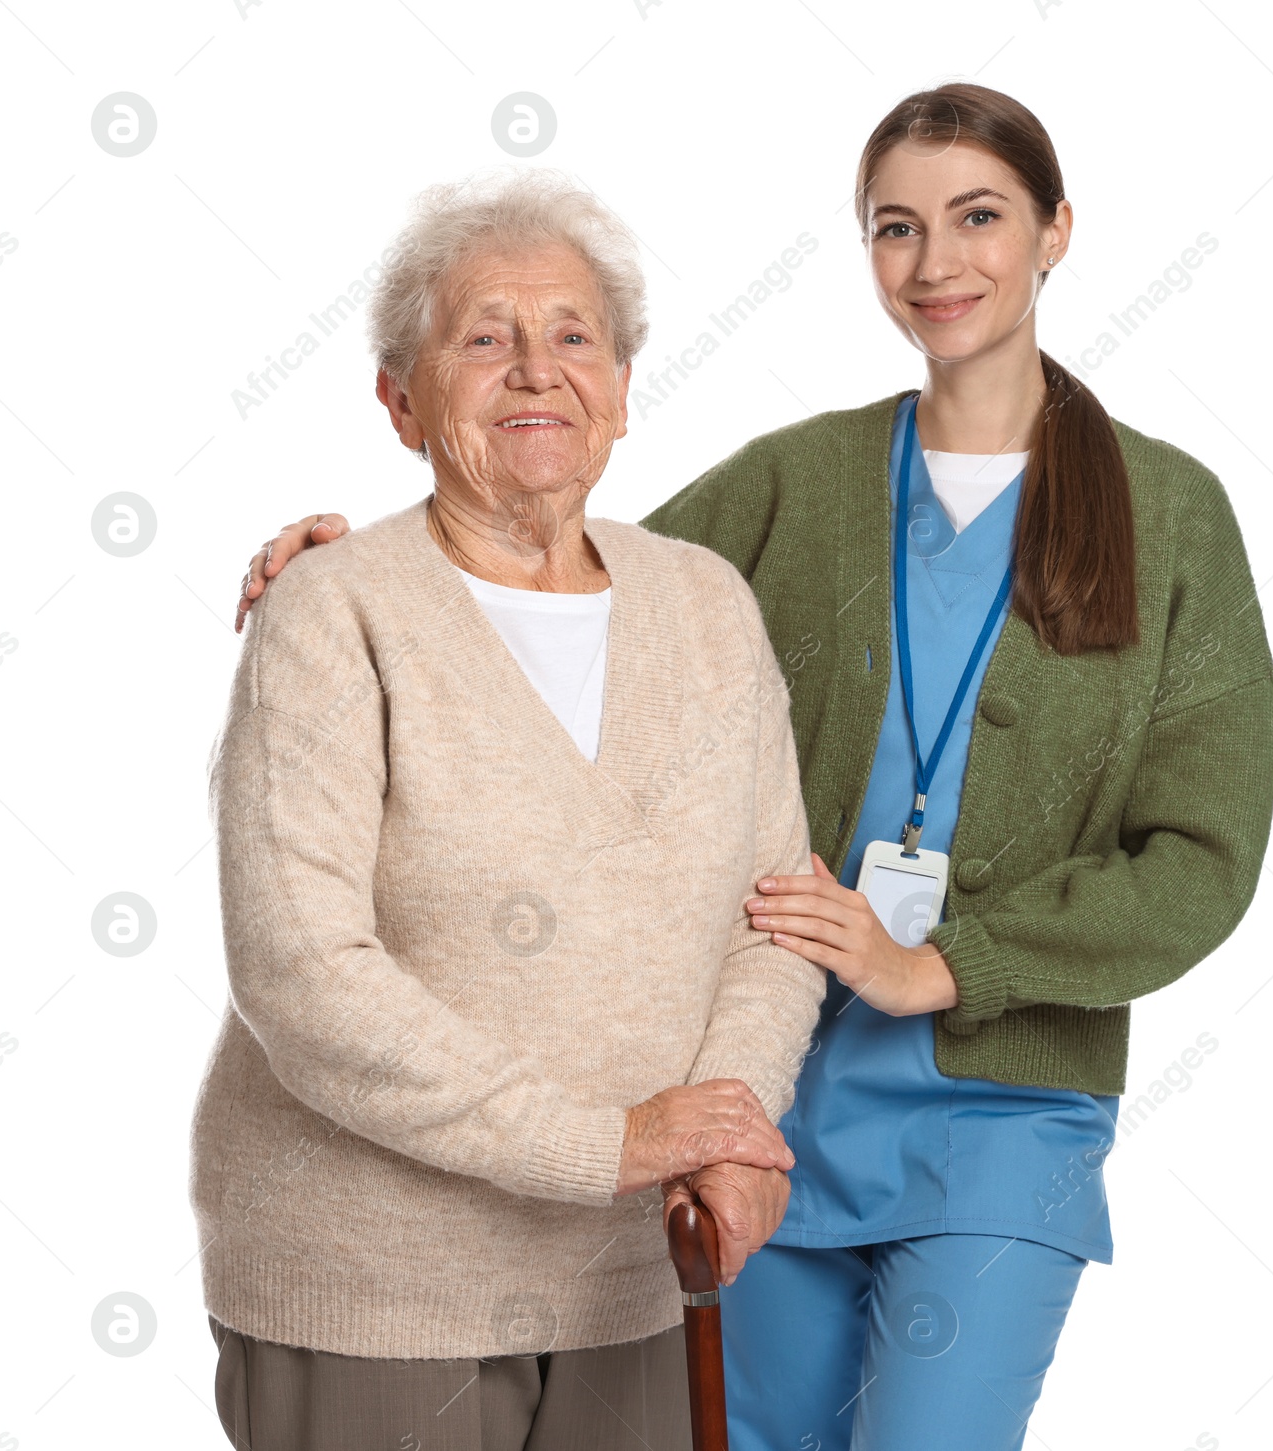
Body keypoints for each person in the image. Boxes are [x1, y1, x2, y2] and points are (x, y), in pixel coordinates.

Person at [236, 84, 1273, 1451]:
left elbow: (1202, 857)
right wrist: (353, 567)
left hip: (1002, 1109)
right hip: (764, 1102)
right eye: (895, 227)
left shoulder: (1172, 512)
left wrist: (949, 960)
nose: (937, 262)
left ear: (1056, 232)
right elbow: (543, 576)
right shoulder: (802, 479)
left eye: (979, 217)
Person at [193, 170, 827, 1451]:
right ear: (401, 400)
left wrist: (724, 1126)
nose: (537, 369)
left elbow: (772, 915)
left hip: (636, 1271)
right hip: (374, 1286)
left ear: (623, 393)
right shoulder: (337, 610)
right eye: (484, 337)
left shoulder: (706, 604)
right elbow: (302, 970)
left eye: (573, 336)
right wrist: (602, 1141)